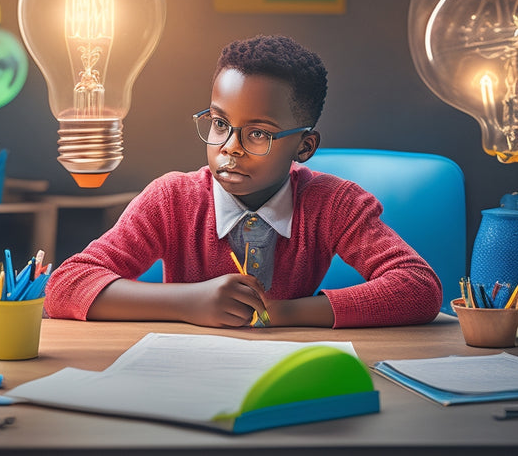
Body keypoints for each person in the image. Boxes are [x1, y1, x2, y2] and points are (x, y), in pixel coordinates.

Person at [44, 34, 442, 327]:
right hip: (185, 372)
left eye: (258, 134)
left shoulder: (330, 204)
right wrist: (188, 302)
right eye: (220, 123)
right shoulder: (173, 199)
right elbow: (65, 285)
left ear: (304, 147)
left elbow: (418, 287)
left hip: (289, 370)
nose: (229, 148)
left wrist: (282, 312)